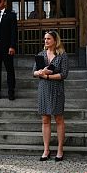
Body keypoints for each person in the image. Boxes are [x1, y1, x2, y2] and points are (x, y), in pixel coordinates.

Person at [32, 30, 69, 162]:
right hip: (43, 89)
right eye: (45, 38)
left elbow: (64, 74)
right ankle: (46, 149)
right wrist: (40, 72)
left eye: (48, 39)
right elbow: (34, 72)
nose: (46, 41)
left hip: (57, 88)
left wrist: (47, 75)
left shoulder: (62, 55)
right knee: (45, 120)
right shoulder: (41, 54)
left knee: (59, 119)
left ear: (55, 40)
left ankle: (60, 149)